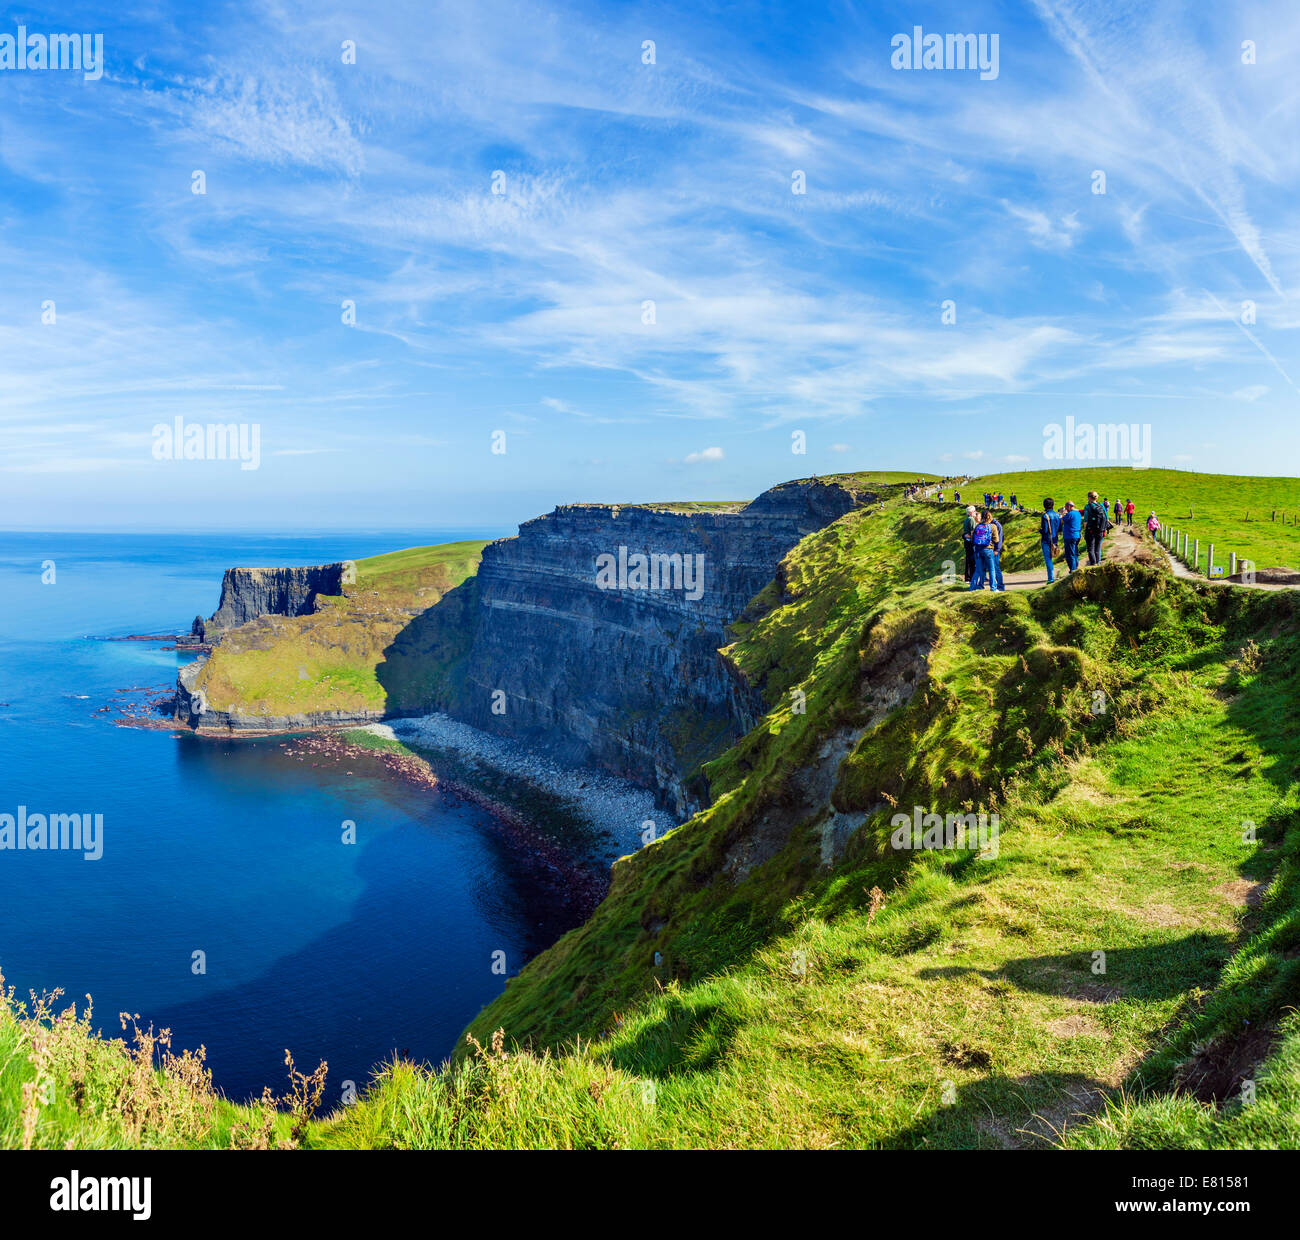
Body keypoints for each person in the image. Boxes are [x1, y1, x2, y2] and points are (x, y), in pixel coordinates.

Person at [969, 511, 997, 591]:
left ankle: (972, 588)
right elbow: (996, 539)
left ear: (982, 517)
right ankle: (993, 588)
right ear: (990, 517)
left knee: (978, 570)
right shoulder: (993, 526)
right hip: (988, 549)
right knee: (991, 569)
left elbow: (972, 538)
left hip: (978, 550)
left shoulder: (978, 526)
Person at [1082, 490, 1109, 565]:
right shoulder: (1101, 505)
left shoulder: (1087, 506)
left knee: (1091, 548)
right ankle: (1098, 563)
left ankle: (1093, 564)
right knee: (1097, 548)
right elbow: (1107, 517)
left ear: (1089, 498)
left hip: (1091, 530)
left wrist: (1085, 529)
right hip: (1100, 530)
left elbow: (1086, 520)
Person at [1040, 498, 1062, 583]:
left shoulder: (1045, 516)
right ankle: (1052, 577)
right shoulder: (1057, 515)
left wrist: (1040, 530)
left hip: (1046, 540)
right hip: (1055, 539)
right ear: (1053, 505)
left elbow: (1045, 530)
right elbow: (1060, 529)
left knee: (1048, 559)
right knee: (1052, 557)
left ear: (1044, 505)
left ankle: (1050, 578)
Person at [1060, 500, 1082, 573]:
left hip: (1070, 536)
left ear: (1069, 506)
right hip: (1077, 535)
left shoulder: (1070, 514)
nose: (1065, 509)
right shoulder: (1078, 513)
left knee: (1070, 554)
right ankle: (1075, 567)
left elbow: (1061, 521)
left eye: (1066, 507)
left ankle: (1073, 570)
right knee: (1075, 552)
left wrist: (1061, 514)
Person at [989, 509, 1005, 590]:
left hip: (994, 549)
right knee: (993, 567)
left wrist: (997, 549)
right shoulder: (991, 524)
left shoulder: (996, 525)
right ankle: (997, 585)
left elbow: (1000, 538)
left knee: (995, 567)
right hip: (991, 549)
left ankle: (1000, 586)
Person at [961, 504, 978, 582]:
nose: (975, 512)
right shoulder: (971, 519)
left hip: (967, 542)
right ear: (971, 512)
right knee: (971, 560)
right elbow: (972, 531)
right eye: (974, 511)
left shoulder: (967, 519)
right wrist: (974, 540)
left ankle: (968, 577)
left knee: (969, 559)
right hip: (970, 542)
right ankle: (970, 577)